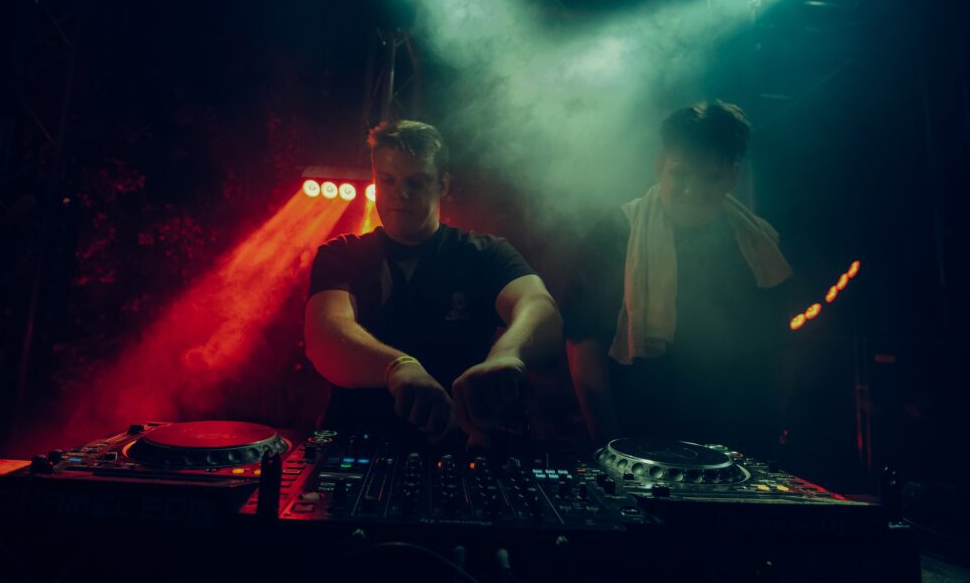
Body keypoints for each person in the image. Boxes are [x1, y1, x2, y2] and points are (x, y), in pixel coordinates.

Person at [304, 120, 563, 446]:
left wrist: (508, 354)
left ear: (443, 184)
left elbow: (540, 307)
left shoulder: (485, 253)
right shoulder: (341, 254)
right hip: (354, 445)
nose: (400, 193)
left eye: (416, 181)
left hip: (457, 447)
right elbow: (325, 333)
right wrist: (398, 368)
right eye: (387, 180)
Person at [565, 101, 793, 457]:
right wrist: (608, 447)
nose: (692, 191)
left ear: (732, 177)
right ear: (660, 167)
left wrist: (774, 439)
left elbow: (779, 348)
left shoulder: (760, 244)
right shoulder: (616, 233)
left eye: (710, 178)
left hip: (742, 446)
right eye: (680, 174)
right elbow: (583, 344)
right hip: (640, 444)